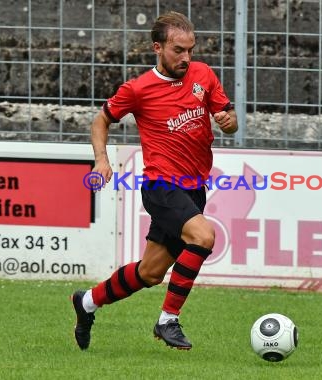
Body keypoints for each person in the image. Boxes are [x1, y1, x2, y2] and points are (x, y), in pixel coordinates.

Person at [71, 11, 238, 351]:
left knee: (150, 272)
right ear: (157, 48)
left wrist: (226, 121)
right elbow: (100, 121)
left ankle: (87, 302)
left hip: (194, 189)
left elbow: (231, 121)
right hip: (161, 186)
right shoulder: (138, 89)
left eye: (190, 49)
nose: (186, 57)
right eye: (178, 50)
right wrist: (102, 160)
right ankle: (168, 321)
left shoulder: (203, 75)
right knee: (205, 236)